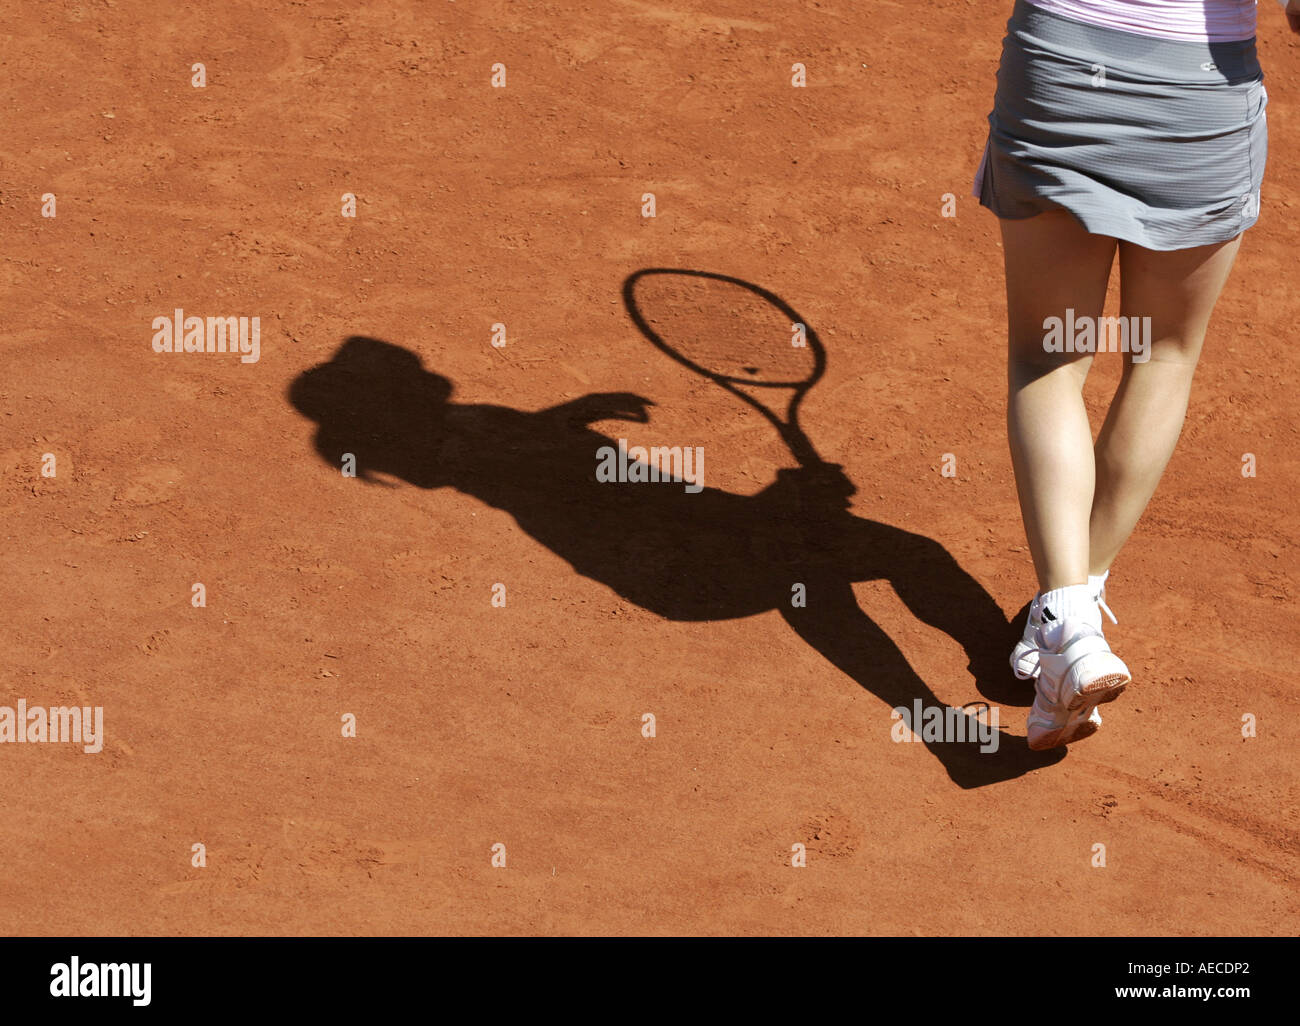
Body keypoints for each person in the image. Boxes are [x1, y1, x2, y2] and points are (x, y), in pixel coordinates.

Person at [973, 0, 1297, 750]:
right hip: (1200, 97)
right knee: (1164, 355)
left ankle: (1066, 623)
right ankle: (1075, 608)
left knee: (1049, 358)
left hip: (1060, 72)